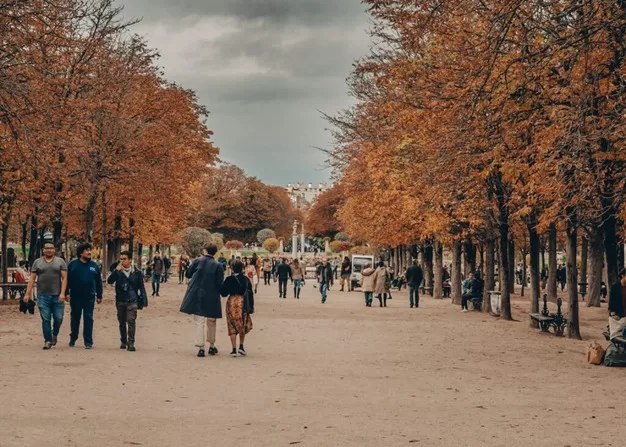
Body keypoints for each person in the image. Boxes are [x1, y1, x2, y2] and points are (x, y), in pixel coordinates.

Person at [180, 243, 224, 357]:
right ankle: (212, 345)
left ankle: (201, 347)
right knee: (211, 321)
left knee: (199, 321)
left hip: (198, 293)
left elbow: (188, 274)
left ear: (205, 250)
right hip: (212, 295)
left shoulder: (197, 261)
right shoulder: (218, 265)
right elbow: (220, 283)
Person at [24, 241, 68, 350]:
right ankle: (47, 340)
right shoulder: (37, 263)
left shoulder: (60, 262)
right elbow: (32, 279)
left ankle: (55, 333)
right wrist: (27, 294)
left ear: (54, 250)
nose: (49, 250)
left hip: (57, 295)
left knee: (59, 318)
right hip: (42, 295)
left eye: (51, 248)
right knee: (46, 319)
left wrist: (62, 293)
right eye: (46, 248)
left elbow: (64, 278)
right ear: (43, 250)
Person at [107, 251, 148, 351]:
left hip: (132, 299)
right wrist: (116, 271)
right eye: (121, 259)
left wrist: (144, 299)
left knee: (131, 320)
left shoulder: (137, 272)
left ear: (130, 260)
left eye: (124, 259)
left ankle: (131, 343)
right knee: (121, 321)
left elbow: (141, 287)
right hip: (120, 299)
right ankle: (123, 341)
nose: (122, 261)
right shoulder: (117, 270)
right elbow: (109, 281)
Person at [66, 243, 103, 349]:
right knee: (75, 318)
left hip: (89, 297)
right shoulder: (73, 265)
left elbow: (98, 281)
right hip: (75, 296)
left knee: (88, 318)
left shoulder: (94, 265)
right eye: (87, 250)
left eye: (90, 250)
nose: (89, 252)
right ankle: (73, 337)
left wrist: (99, 295)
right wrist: (66, 293)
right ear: (81, 253)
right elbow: (67, 280)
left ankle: (88, 341)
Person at [220, 260, 254, 357]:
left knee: (231, 324)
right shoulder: (246, 279)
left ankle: (234, 349)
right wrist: (251, 307)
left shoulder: (228, 279)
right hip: (242, 303)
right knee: (242, 323)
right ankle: (241, 346)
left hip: (231, 301)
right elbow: (250, 294)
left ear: (231, 268)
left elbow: (223, 293)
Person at [608, 268, 626, 340]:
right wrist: (613, 314)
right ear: (623, 276)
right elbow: (612, 302)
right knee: (617, 336)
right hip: (618, 315)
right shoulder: (615, 287)